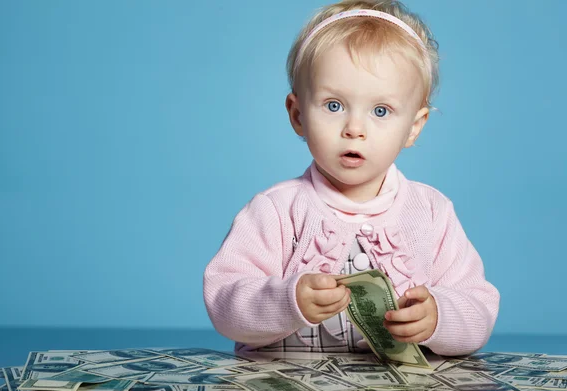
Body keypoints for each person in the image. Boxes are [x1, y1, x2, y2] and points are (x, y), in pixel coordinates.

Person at [203, 0, 499, 357]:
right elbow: (223, 301)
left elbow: (479, 308)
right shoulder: (276, 211)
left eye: (380, 110)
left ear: (413, 127)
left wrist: (439, 317)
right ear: (297, 115)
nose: (354, 129)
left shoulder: (431, 213)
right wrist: (286, 299)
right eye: (333, 105)